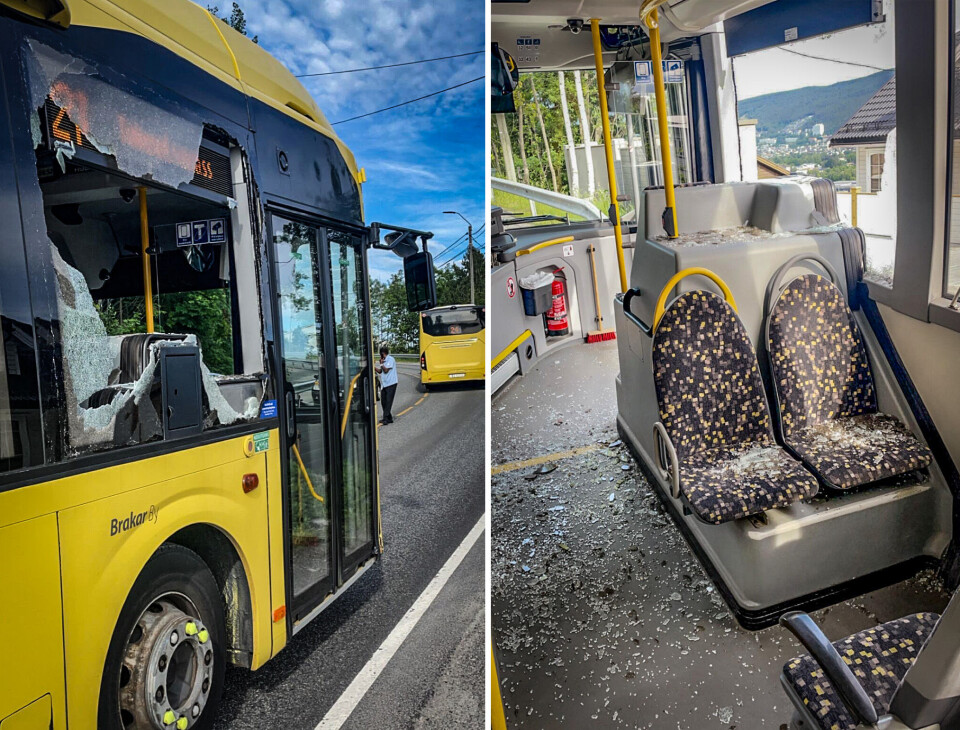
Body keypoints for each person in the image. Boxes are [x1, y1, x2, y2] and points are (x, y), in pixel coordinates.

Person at [375, 344, 398, 425]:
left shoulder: (390, 359)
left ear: (383, 353)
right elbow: (380, 371)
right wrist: (373, 368)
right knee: (383, 402)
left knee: (388, 402)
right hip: (384, 384)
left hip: (391, 383)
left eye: (381, 354)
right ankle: (389, 418)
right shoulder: (383, 361)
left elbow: (386, 370)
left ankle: (385, 419)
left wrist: (381, 364)